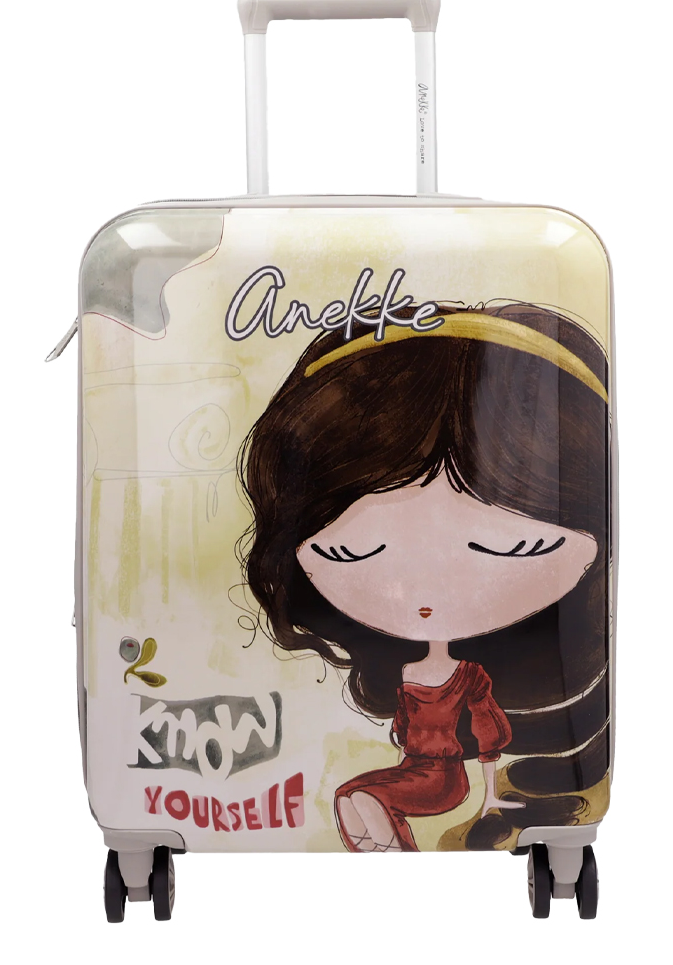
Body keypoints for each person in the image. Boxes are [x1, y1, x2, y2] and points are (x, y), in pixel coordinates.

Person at [238, 301, 611, 852]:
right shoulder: (414, 672)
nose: (428, 592)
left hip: (446, 782)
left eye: (514, 547)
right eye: (351, 552)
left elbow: (488, 735)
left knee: (357, 797)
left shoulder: (477, 681)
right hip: (421, 772)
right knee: (354, 798)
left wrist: (490, 796)